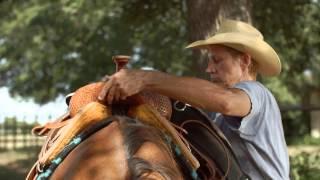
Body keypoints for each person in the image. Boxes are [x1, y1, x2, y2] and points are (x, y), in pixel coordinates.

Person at [98, 19, 290, 179]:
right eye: (209, 60)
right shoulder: (220, 114)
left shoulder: (256, 92)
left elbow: (227, 102)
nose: (209, 68)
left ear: (245, 61)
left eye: (217, 60)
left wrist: (147, 79)